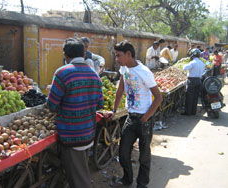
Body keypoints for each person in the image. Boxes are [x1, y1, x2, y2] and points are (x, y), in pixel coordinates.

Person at [47, 38, 103, 188]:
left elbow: (52, 106)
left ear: (65, 54)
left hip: (71, 136)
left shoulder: (62, 73)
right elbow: (99, 105)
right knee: (81, 170)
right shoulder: (95, 75)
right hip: (88, 133)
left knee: (79, 179)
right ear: (83, 53)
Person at [108, 40, 162, 188]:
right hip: (131, 118)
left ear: (129, 54)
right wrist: (114, 110)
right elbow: (120, 90)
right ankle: (127, 179)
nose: (117, 59)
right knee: (123, 152)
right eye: (116, 56)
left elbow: (158, 97)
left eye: (118, 56)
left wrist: (146, 117)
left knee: (144, 155)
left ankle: (142, 184)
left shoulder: (144, 72)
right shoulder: (124, 70)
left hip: (144, 119)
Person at [181, 48, 205, 116]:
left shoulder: (193, 62)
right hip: (199, 81)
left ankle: (188, 112)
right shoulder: (201, 63)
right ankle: (193, 112)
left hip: (192, 81)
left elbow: (184, 68)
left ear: (192, 55)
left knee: (189, 96)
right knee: (195, 97)